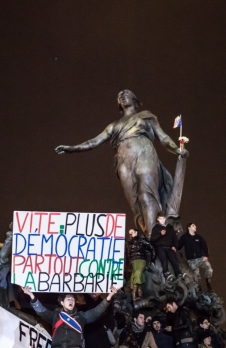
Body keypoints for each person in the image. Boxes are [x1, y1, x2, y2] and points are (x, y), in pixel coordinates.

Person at [55, 89, 188, 237]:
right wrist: (71, 148)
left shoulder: (146, 116)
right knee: (135, 203)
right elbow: (93, 142)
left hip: (144, 153)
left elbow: (163, 138)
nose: (122, 97)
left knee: (146, 195)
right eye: (119, 96)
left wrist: (176, 149)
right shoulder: (113, 126)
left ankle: (153, 237)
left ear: (135, 100)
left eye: (126, 95)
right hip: (123, 161)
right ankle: (146, 237)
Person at [178, 223, 213, 292]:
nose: (195, 227)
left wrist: (206, 255)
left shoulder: (198, 237)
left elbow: (205, 246)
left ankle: (208, 284)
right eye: (193, 226)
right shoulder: (184, 237)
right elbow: (178, 246)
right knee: (197, 276)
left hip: (200, 258)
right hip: (191, 260)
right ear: (189, 227)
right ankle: (200, 290)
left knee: (209, 269)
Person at [150, 212, 183, 278]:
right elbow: (152, 239)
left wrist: (174, 246)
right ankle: (166, 272)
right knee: (163, 260)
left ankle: (178, 273)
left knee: (174, 260)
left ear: (165, 219)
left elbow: (175, 238)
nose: (162, 220)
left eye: (163, 218)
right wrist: (160, 234)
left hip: (169, 247)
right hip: (160, 247)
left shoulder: (170, 228)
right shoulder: (155, 228)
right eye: (160, 219)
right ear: (158, 219)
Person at [126, 228, 154, 299]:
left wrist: (152, 259)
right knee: (134, 275)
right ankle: (140, 292)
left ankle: (134, 293)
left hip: (141, 260)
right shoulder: (129, 243)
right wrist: (129, 261)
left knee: (138, 273)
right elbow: (128, 254)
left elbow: (152, 248)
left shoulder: (142, 240)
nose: (131, 234)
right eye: (129, 233)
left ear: (136, 232)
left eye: (132, 232)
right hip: (133, 261)